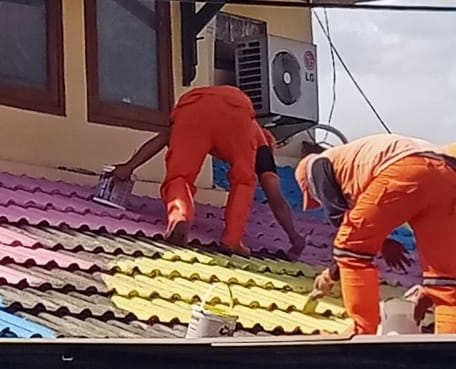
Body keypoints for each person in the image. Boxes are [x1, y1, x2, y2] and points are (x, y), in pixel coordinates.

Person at [111, 85, 304, 256]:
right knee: (244, 180)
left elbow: (163, 138)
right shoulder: (262, 142)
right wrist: (294, 236)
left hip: (194, 105)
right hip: (235, 112)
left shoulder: (249, 131)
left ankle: (180, 216)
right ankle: (232, 241)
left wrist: (129, 167)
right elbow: (275, 196)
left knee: (180, 174)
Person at [298, 134, 456, 335]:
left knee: (351, 250)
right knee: (444, 280)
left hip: (408, 166)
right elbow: (362, 230)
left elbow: (346, 232)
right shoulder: (354, 166)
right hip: (449, 173)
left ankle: (361, 331)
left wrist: (329, 276)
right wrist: (332, 273)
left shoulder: (316, 165)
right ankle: (448, 345)